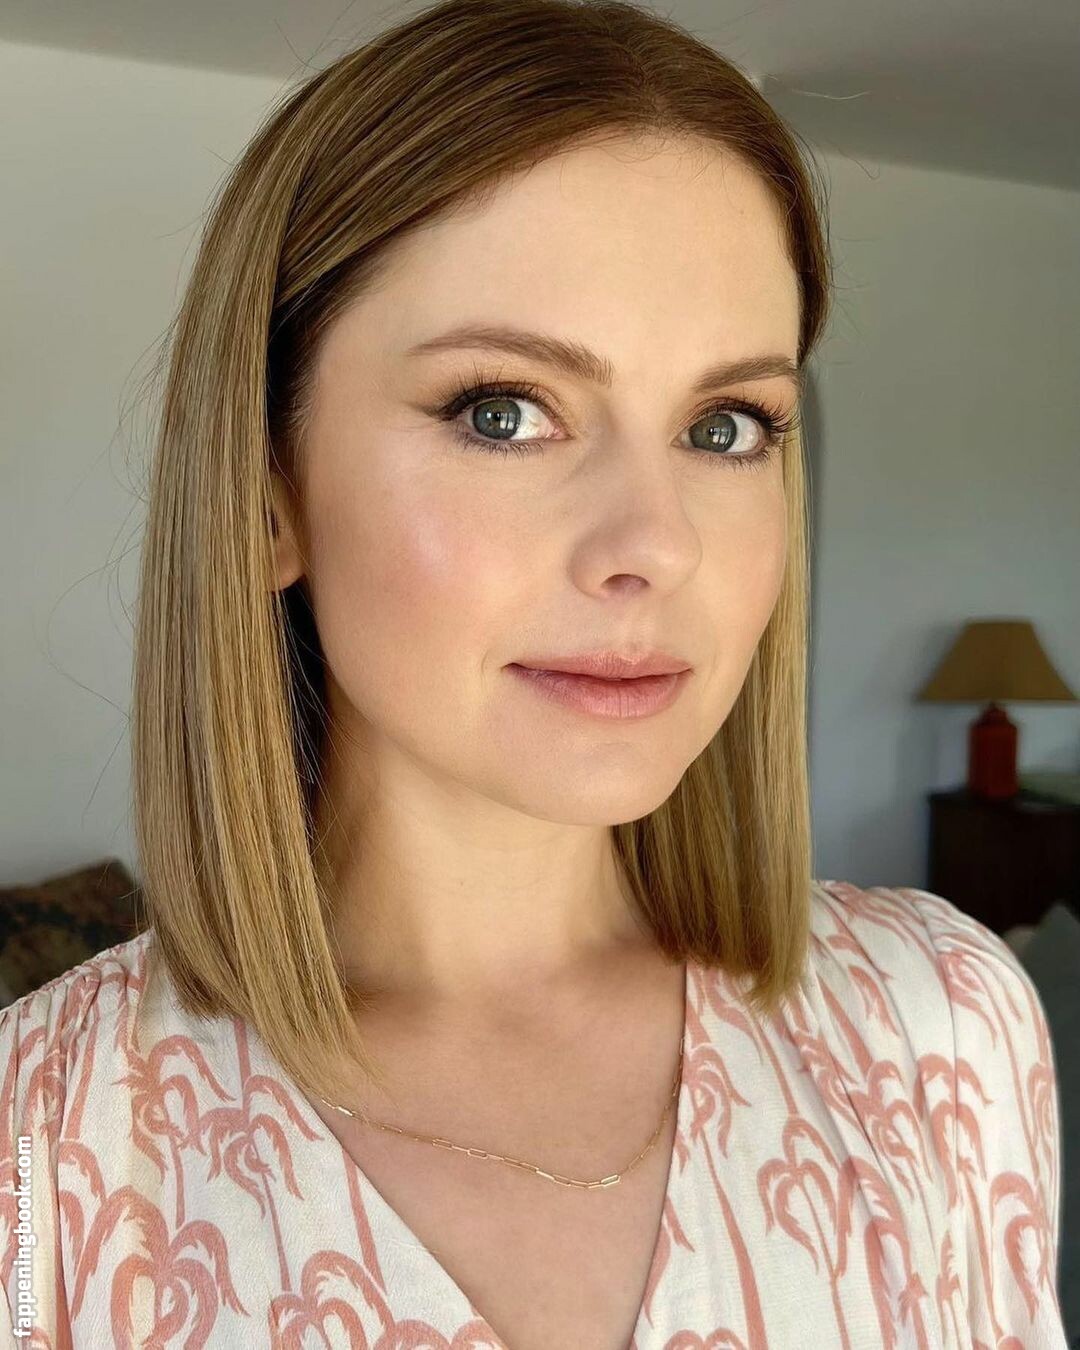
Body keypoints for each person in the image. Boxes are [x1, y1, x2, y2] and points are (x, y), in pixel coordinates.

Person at [0, 0, 1065, 1346]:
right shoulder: (43, 1152)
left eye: (727, 427)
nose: (656, 545)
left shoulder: (942, 1027)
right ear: (267, 492)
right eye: (502, 412)